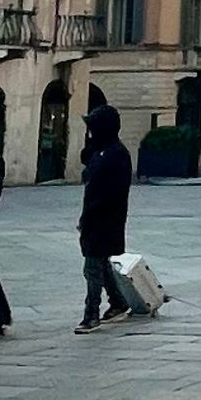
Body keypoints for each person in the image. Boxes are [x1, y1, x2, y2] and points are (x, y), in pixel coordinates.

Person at [76, 104, 133, 334]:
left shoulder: (117, 154)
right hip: (93, 217)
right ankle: (118, 302)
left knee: (92, 267)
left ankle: (91, 314)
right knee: (99, 263)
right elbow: (86, 164)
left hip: (105, 218)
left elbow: (112, 192)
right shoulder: (100, 152)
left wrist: (92, 214)